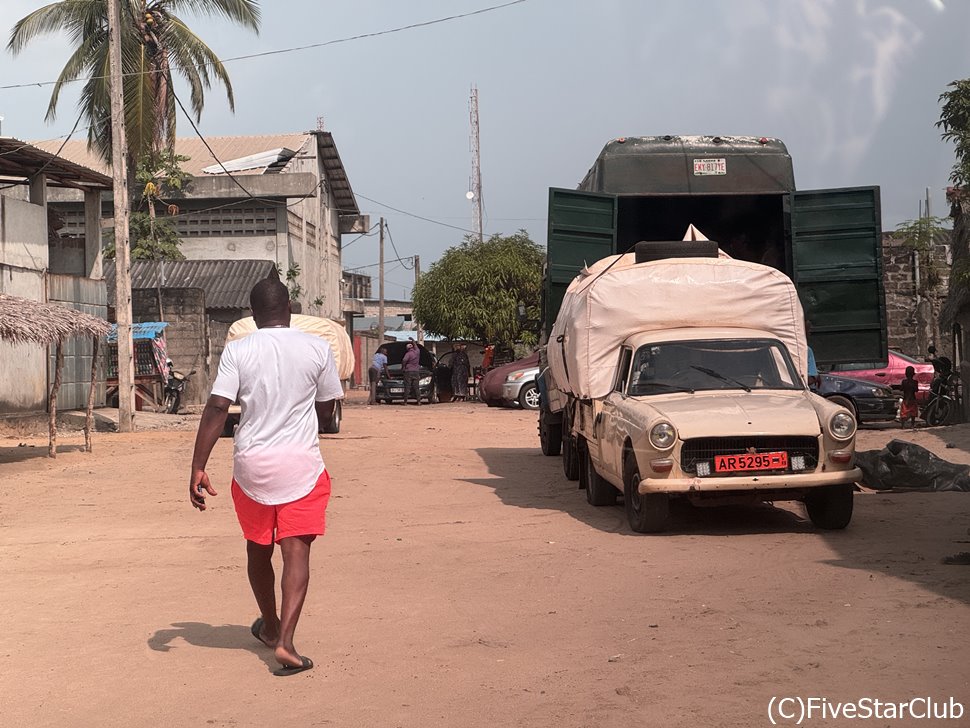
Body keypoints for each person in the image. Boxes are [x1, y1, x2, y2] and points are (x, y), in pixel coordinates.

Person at [188, 277, 344, 676]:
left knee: (258, 548)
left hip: (252, 466)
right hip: (302, 467)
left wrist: (198, 466)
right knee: (296, 552)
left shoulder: (238, 350)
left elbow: (218, 407)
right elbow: (327, 413)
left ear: (253, 316)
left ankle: (270, 625)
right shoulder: (317, 347)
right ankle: (287, 644)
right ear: (289, 309)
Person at [402, 341, 422, 405]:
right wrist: (413, 340)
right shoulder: (417, 352)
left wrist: (403, 367)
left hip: (408, 371)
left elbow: (404, 360)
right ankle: (419, 401)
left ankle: (405, 402)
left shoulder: (408, 354)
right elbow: (416, 346)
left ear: (407, 349)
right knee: (416, 387)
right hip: (416, 371)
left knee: (407, 387)